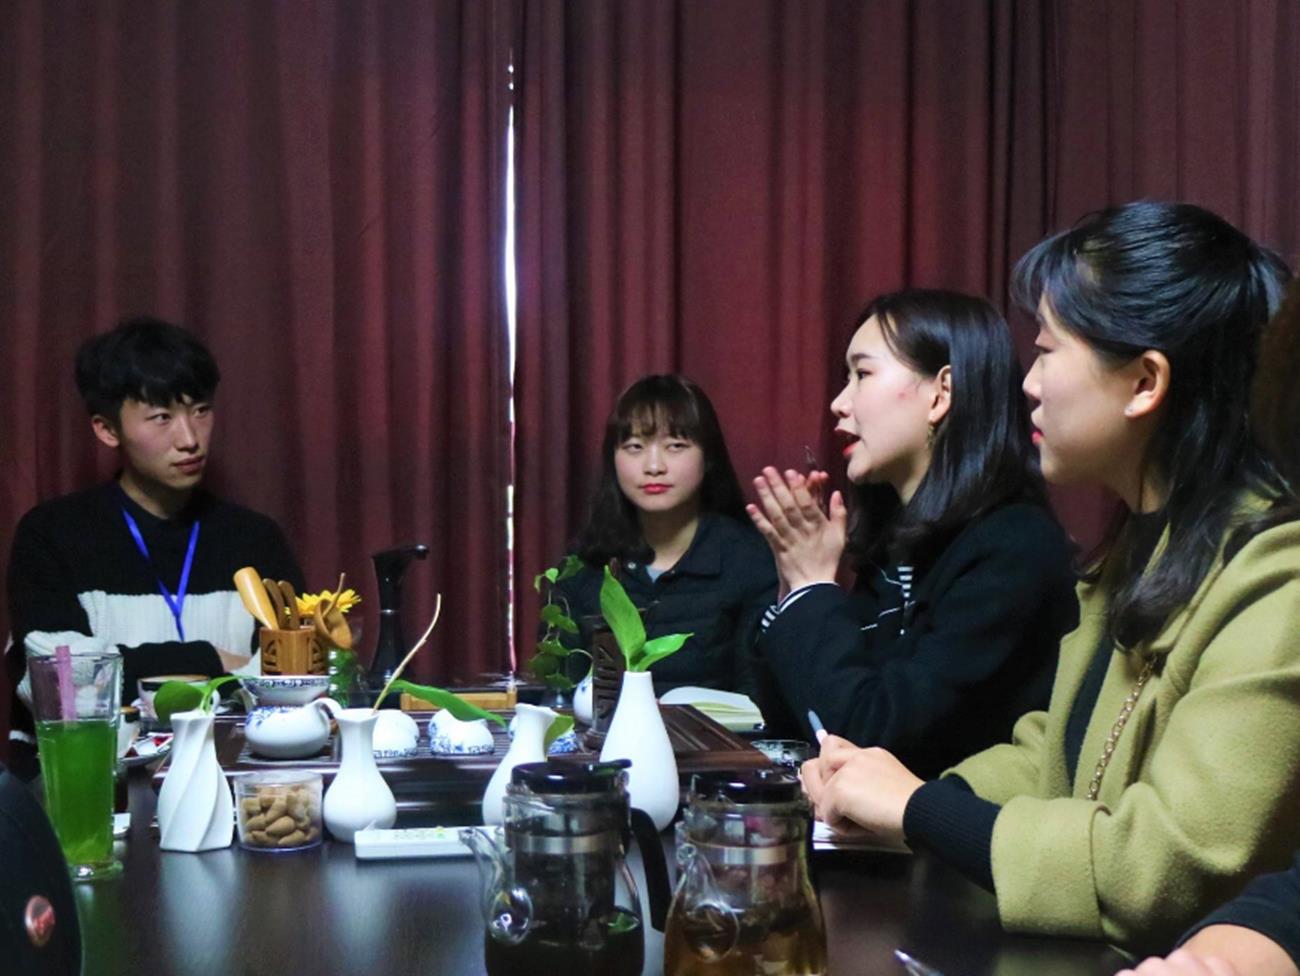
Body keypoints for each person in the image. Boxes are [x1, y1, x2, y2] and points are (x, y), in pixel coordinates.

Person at [800, 201, 1300, 953]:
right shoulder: (1135, 549)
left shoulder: (1275, 573)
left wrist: (917, 811)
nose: (1027, 383)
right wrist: (895, 799)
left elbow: (1163, 863)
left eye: (1046, 350)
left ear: (1144, 382)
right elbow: (1052, 756)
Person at [747, 290, 1076, 777]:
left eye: (862, 374)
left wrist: (813, 590)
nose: (839, 404)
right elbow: (797, 723)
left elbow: (874, 743)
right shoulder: (899, 544)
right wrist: (794, 590)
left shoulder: (1012, 549)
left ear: (941, 393)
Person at [5, 317, 303, 771]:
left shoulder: (255, 538)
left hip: (232, 778)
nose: (190, 439)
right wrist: (212, 660)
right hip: (89, 784)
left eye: (200, 410)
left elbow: (292, 681)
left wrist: (130, 672)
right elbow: (60, 683)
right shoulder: (52, 533)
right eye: (162, 418)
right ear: (107, 430)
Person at [552, 374, 776, 695]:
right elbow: (559, 692)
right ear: (612, 458)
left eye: (675, 446)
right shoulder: (583, 567)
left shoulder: (750, 561)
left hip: (718, 730)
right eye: (634, 447)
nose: (654, 466)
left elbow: (759, 702)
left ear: (708, 456)